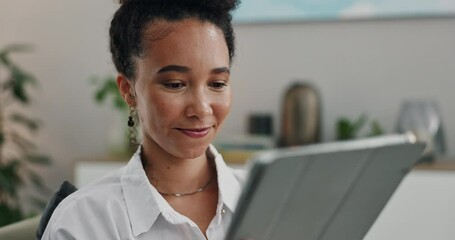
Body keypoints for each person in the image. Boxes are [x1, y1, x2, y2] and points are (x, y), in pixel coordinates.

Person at [41, 0, 244, 239]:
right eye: (175, 84)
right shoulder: (84, 220)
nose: (201, 109)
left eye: (217, 84)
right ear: (128, 90)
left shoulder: (273, 199)